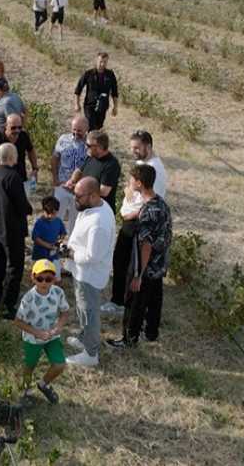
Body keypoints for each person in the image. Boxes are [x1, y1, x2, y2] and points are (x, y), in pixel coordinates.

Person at [108, 164, 172, 349]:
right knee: (155, 299)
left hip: (145, 265)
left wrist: (138, 274)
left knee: (134, 302)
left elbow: (145, 245)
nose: (129, 183)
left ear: (139, 183)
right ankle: (151, 332)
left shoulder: (146, 212)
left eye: (132, 180)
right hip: (159, 264)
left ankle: (129, 338)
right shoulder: (161, 204)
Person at [105, 130, 167, 315]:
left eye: (137, 148)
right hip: (129, 217)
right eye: (132, 147)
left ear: (148, 146)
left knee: (127, 263)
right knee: (120, 260)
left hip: (137, 222)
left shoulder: (156, 169)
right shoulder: (143, 162)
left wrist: (131, 214)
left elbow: (152, 200)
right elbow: (132, 185)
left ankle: (121, 303)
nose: (134, 151)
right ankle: (119, 299)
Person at [61, 177, 116, 367]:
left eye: (78, 196)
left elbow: (93, 256)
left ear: (93, 195)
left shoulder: (99, 223)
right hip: (81, 271)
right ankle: (85, 338)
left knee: (89, 312)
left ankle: (90, 354)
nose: (74, 198)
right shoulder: (93, 207)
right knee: (83, 309)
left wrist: (70, 252)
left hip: (89, 275)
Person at [0, 143, 33, 319]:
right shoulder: (13, 177)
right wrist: (29, 209)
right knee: (14, 267)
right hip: (12, 228)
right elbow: (21, 204)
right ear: (12, 157)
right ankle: (7, 305)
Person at [13, 259, 69, 403]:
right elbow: (18, 321)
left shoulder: (58, 292)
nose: (44, 282)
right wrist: (37, 333)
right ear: (33, 277)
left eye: (48, 279)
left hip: (52, 337)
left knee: (59, 364)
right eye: (40, 278)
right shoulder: (29, 298)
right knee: (29, 366)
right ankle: (25, 392)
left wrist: (58, 327)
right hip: (32, 339)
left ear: (54, 279)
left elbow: (64, 312)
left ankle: (43, 384)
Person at [51, 116, 89, 234]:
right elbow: (55, 158)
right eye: (74, 129)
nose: (76, 133)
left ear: (86, 129)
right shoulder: (63, 139)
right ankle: (53, 241)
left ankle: (71, 246)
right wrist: (55, 179)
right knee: (56, 216)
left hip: (79, 190)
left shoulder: (90, 144)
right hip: (62, 185)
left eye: (79, 130)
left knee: (76, 220)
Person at [69, 130, 121, 212]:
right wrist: (72, 181)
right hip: (85, 207)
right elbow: (79, 170)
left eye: (89, 145)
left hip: (99, 210)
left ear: (100, 147)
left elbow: (104, 191)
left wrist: (78, 189)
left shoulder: (111, 165)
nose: (86, 147)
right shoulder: (91, 156)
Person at [0, 113, 37, 192]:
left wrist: (35, 168)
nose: (17, 130)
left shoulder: (23, 135)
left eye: (19, 127)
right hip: (4, 178)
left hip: (20, 176)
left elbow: (31, 150)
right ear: (6, 126)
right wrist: (0, 176)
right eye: (13, 128)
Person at [74, 52, 118, 131]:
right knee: (91, 126)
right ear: (97, 61)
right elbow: (78, 89)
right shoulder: (88, 74)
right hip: (89, 105)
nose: (102, 64)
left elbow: (114, 92)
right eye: (100, 61)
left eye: (105, 62)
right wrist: (77, 104)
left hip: (102, 106)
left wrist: (115, 107)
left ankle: (94, 141)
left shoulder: (110, 75)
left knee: (98, 127)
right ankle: (88, 141)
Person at [31, 196, 67, 271]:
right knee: (41, 273)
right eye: (48, 213)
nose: (50, 216)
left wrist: (59, 241)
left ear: (57, 211)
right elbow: (35, 238)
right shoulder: (39, 223)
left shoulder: (58, 221)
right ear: (43, 210)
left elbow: (63, 233)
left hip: (54, 255)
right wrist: (47, 245)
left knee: (55, 273)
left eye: (53, 213)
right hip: (40, 255)